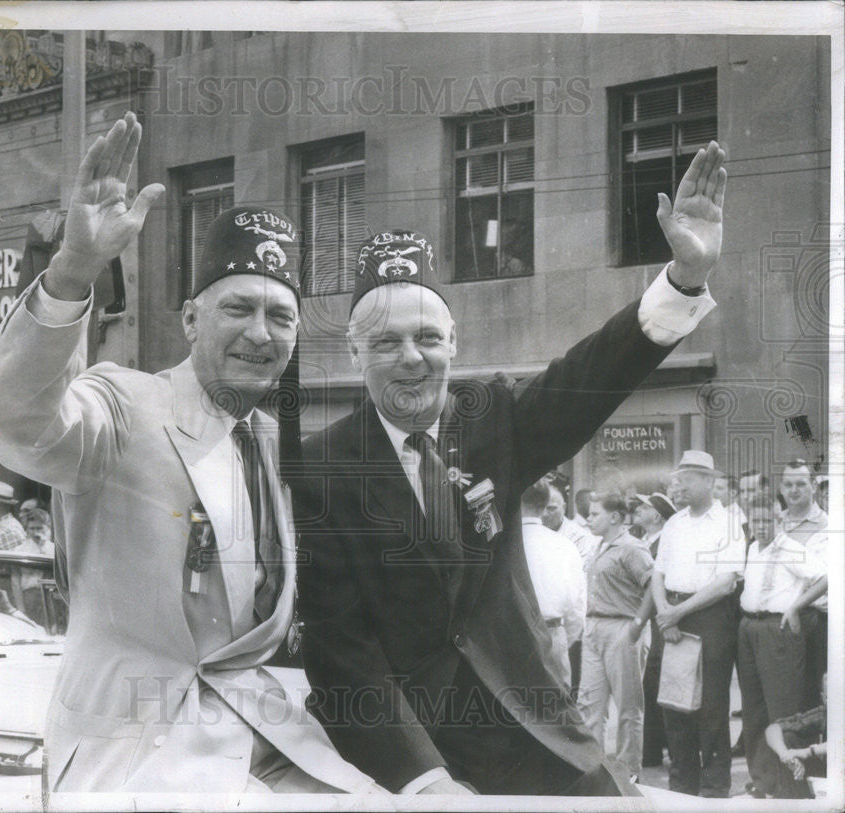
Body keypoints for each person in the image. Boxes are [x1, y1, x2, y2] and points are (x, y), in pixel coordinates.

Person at [294, 142, 728, 795]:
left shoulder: (490, 416)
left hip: (536, 731)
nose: (411, 358)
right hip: (406, 752)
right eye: (386, 341)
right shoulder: (320, 467)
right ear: (356, 350)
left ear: (454, 343)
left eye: (428, 338)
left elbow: (589, 378)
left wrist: (683, 280)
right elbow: (342, 653)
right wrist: (423, 781)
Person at [0, 112, 379, 794]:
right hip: (137, 755)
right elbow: (16, 418)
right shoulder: (126, 406)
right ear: (191, 319)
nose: (261, 333)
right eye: (238, 309)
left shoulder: (273, 448)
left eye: (280, 317)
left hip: (262, 740)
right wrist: (74, 268)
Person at [651, 450, 747, 798]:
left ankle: (714, 786)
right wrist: (665, 612)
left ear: (710, 481)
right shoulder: (674, 523)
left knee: (710, 705)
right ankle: (682, 784)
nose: (680, 486)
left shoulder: (729, 524)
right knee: (675, 704)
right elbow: (658, 573)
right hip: (672, 615)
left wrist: (677, 613)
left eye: (688, 479)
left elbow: (725, 582)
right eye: (679, 479)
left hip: (710, 618)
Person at [737, 496, 826, 798]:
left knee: (782, 709)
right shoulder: (751, 547)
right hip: (749, 628)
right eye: (756, 521)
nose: (761, 527)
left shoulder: (790, 548)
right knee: (755, 708)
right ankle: (762, 780)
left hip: (778, 630)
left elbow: (825, 578)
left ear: (780, 521)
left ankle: (788, 783)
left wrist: (795, 607)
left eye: (767, 521)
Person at [577, 492, 655, 782]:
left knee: (628, 706)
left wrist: (636, 625)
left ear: (614, 517)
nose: (589, 518)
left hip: (623, 628)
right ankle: (592, 767)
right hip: (595, 628)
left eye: (595, 513)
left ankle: (627, 771)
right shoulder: (600, 546)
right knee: (590, 704)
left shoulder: (632, 548)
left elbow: (653, 585)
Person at [520, 479, 586, 689]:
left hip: (514, 633)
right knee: (556, 710)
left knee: (514, 707)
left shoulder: (503, 544)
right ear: (544, 505)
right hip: (553, 633)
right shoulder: (564, 545)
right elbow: (577, 607)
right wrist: (562, 638)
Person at [775, 460, 829, 710]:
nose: (793, 490)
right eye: (788, 484)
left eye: (800, 484)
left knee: (809, 694)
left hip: (813, 620)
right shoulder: (774, 523)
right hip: (776, 619)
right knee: (782, 694)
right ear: (781, 487)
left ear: (814, 486)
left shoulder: (828, 525)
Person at [630, 492, 676, 768]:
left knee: (656, 681)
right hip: (644, 620)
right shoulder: (644, 542)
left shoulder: (664, 545)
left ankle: (657, 748)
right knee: (647, 682)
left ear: (657, 515)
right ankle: (652, 748)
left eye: (644, 507)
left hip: (657, 621)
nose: (638, 509)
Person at [762, 673, 827, 799]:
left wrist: (808, 751)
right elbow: (774, 728)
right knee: (787, 738)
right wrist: (786, 757)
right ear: (824, 698)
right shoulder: (824, 713)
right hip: (829, 776)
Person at [543, 481, 598, 571]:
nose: (544, 514)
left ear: (564, 508)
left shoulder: (580, 537)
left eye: (551, 508)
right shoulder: (534, 533)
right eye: (541, 508)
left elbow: (582, 573)